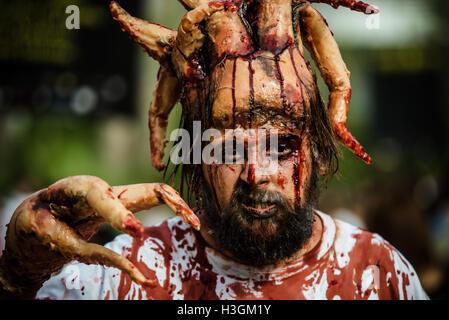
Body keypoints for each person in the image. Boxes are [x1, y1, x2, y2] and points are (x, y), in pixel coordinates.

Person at [0, 0, 428, 300]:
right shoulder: (124, 276)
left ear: (317, 148)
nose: (256, 173)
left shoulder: (378, 275)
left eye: (281, 146)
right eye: (229, 148)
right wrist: (20, 272)